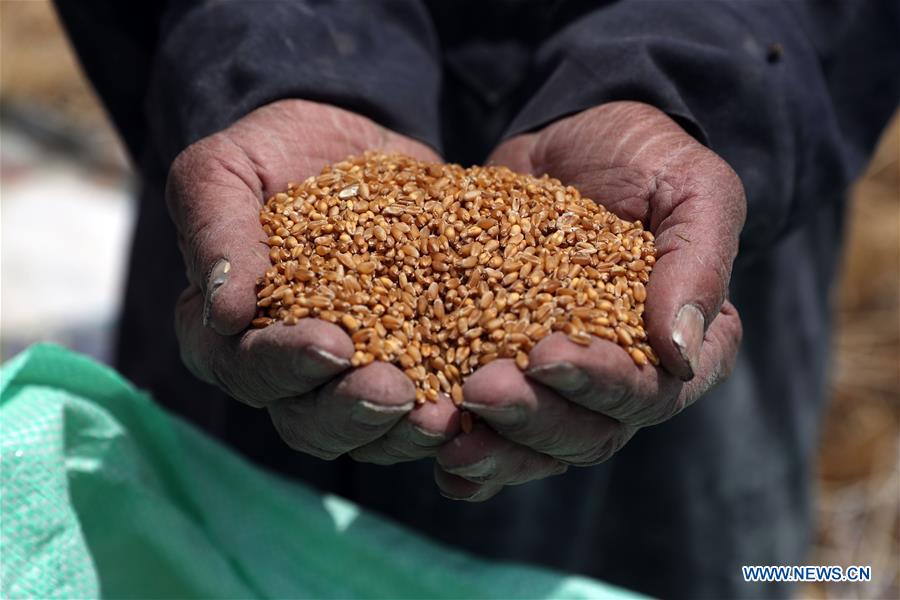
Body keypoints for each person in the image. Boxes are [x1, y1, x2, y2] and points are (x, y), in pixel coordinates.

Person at [55, 1, 899, 598]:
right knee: (233, 549)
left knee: (675, 552)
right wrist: (280, 55)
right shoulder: (302, 225)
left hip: (711, 153)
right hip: (264, 146)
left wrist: (697, 83)